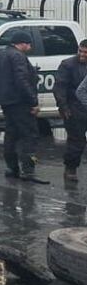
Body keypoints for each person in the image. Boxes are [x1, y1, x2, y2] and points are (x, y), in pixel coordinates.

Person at [0, 30, 47, 184]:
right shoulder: (18, 56)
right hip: (20, 102)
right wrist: (33, 101)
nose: (30, 47)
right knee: (29, 135)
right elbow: (21, 80)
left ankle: (12, 168)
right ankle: (28, 171)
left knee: (11, 134)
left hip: (6, 102)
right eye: (29, 44)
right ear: (22, 43)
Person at [55, 40, 87, 182]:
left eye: (85, 52)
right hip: (74, 108)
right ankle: (70, 168)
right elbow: (59, 87)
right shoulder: (68, 65)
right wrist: (63, 107)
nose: (82, 54)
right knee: (76, 141)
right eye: (80, 51)